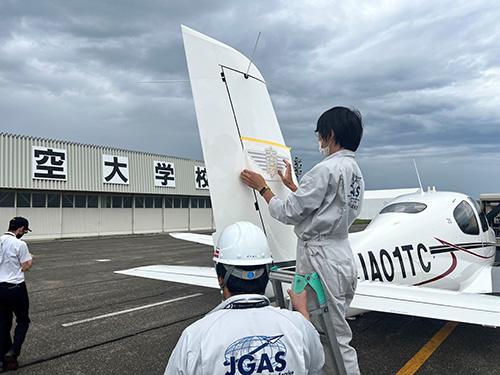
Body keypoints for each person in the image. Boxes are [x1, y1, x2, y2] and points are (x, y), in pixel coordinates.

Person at [240, 106, 364, 375]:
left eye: (320, 136)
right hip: (341, 254)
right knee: (335, 327)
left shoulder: (325, 169)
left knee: (330, 333)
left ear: (330, 135)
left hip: (321, 260)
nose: (319, 142)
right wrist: (294, 188)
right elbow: (328, 206)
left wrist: (263, 187)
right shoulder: (354, 171)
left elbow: (288, 213)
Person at [164, 221, 324, 375]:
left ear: (220, 277)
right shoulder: (298, 326)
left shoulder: (195, 337)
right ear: (268, 274)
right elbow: (316, 362)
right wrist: (303, 313)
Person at [0, 217, 34, 372]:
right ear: (20, 229)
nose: (24, 233)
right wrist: (31, 258)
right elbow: (25, 267)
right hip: (15, 287)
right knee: (23, 320)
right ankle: (13, 351)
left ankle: (5, 357)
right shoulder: (20, 244)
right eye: (25, 231)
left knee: (3, 323)